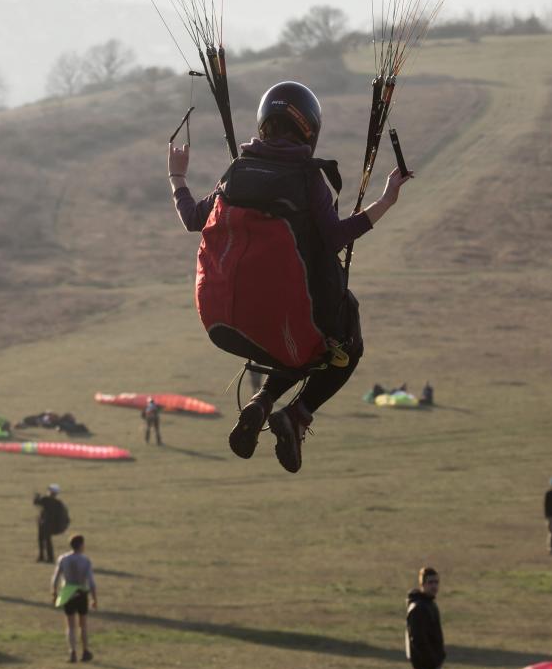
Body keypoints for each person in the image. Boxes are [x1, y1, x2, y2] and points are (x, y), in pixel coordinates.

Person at [170, 80, 411, 473]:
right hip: (282, 325)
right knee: (340, 341)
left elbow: (193, 219)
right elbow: (334, 237)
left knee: (299, 335)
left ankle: (261, 403)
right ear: (309, 129)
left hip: (221, 326)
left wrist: (177, 176)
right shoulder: (307, 178)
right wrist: (385, 201)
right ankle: (296, 414)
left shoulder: (236, 172)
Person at [51, 534, 98, 663]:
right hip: (81, 592)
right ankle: (85, 651)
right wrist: (94, 598)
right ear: (81, 545)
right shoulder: (85, 560)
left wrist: (54, 593)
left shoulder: (63, 558)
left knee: (70, 625)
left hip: (67, 592)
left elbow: (55, 578)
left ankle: (72, 651)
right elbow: (92, 582)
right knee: (83, 625)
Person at [405, 567, 446, 669]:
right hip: (427, 665)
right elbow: (417, 640)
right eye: (430, 582)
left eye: (436, 582)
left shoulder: (429, 604)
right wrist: (432, 660)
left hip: (428, 663)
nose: (434, 586)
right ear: (422, 585)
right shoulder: (418, 608)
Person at [34, 485, 68, 563]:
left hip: (44, 524)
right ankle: (48, 557)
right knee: (46, 540)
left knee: (42, 540)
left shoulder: (45, 499)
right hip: (51, 525)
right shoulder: (58, 503)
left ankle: (43, 557)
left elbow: (36, 502)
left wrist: (36, 496)